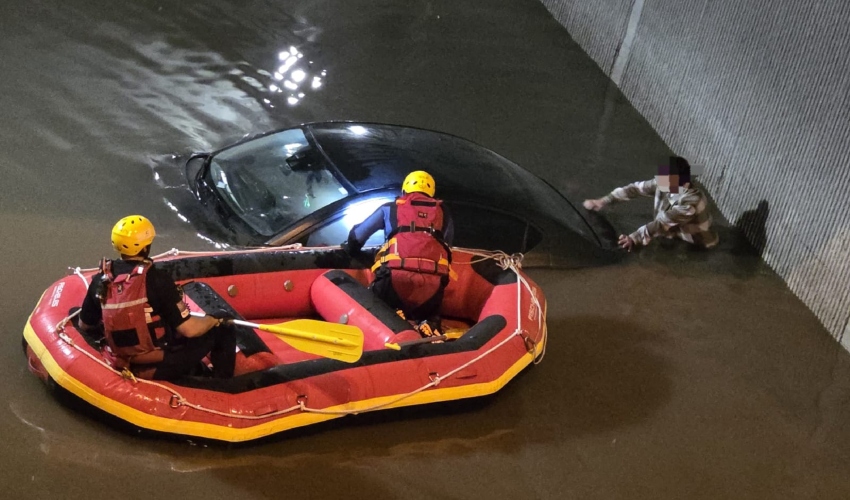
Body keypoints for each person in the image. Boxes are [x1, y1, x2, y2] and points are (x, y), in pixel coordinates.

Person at [77, 215, 236, 380]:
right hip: (157, 362)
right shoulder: (157, 279)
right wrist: (213, 319)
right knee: (223, 324)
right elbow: (190, 330)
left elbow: (84, 325)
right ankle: (222, 382)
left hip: (120, 356)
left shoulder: (101, 279)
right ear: (146, 248)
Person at [342, 171, 455, 336]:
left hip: (393, 280)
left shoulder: (390, 208)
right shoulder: (444, 213)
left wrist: (351, 250)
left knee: (370, 304)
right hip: (432, 287)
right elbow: (447, 249)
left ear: (404, 190)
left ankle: (393, 315)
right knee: (431, 312)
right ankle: (430, 323)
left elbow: (358, 236)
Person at [583, 156, 718, 251]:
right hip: (675, 233)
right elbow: (635, 189)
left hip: (696, 244)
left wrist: (633, 238)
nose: (661, 183)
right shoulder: (667, 182)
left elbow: (661, 223)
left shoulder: (691, 202)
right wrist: (604, 200)